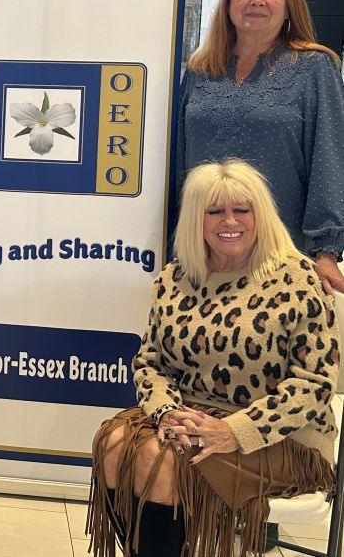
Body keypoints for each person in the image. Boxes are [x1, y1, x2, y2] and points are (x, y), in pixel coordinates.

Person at [87, 159, 338, 557]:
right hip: (191, 415)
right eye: (215, 211)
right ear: (196, 219)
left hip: (283, 436)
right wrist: (167, 412)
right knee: (116, 444)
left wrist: (235, 431)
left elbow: (315, 386)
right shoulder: (174, 278)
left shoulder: (298, 278)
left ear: (261, 214)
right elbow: (151, 363)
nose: (229, 221)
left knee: (159, 459)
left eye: (242, 209)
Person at [177, 0, 344, 296]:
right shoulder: (200, 70)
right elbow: (179, 159)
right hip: (203, 253)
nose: (257, 0)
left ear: (288, 7)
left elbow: (330, 160)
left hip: (280, 253)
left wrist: (326, 250)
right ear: (227, 3)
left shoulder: (314, 68)